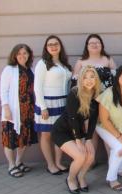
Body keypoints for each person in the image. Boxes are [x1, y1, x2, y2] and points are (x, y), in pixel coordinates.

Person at [51, 66, 100, 194]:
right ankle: (71, 179)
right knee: (80, 156)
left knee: (90, 155)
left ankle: (81, 177)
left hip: (78, 131)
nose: (89, 80)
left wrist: (89, 139)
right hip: (62, 131)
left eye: (92, 76)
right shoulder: (74, 93)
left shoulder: (96, 96)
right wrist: (78, 140)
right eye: (85, 77)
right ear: (81, 80)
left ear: (96, 79)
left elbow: (93, 121)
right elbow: (72, 118)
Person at [72, 34, 116, 162]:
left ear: (101, 45)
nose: (95, 45)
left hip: (105, 102)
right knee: (91, 133)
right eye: (91, 43)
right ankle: (90, 161)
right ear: (87, 46)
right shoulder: (81, 62)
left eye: (97, 42)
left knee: (108, 132)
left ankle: (111, 161)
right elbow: (75, 84)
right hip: (87, 102)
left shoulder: (108, 60)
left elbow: (116, 81)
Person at [34, 35, 72, 175]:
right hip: (48, 103)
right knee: (47, 134)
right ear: (46, 47)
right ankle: (50, 164)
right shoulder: (43, 63)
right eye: (50, 44)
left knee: (60, 133)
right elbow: (37, 87)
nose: (53, 46)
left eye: (56, 44)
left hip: (63, 102)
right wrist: (43, 107)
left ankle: (58, 162)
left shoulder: (64, 64)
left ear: (60, 46)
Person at [0, 44, 38, 178]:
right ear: (14, 55)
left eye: (25, 53)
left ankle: (19, 162)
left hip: (28, 110)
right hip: (13, 110)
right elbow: (3, 90)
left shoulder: (30, 69)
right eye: (19, 53)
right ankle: (11, 165)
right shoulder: (9, 69)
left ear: (29, 55)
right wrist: (6, 108)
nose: (22, 56)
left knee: (25, 138)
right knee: (10, 139)